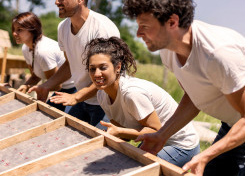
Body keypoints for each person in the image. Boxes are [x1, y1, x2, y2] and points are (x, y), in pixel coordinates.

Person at [122, 0, 245, 175]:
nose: (139, 34)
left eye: (145, 26)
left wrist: (205, 155)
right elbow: (194, 97)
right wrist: (161, 135)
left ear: (172, 22)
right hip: (233, 125)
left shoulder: (218, 55)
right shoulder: (168, 50)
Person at [84, 36, 200, 167]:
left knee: (137, 169)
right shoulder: (102, 95)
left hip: (180, 145)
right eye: (92, 68)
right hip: (153, 142)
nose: (96, 74)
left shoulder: (131, 93)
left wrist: (118, 132)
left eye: (103, 67)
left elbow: (155, 131)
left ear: (118, 67)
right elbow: (122, 132)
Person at [28, 0, 120, 126]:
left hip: (108, 102)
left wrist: (76, 96)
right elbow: (69, 64)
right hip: (84, 99)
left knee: (99, 145)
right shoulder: (63, 27)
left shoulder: (102, 28)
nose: (56, 2)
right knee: (64, 136)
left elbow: (109, 75)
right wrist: (46, 86)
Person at [12, 12, 76, 112]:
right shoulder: (26, 48)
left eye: (19, 30)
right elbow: (35, 76)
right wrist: (25, 86)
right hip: (61, 89)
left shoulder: (43, 51)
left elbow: (56, 85)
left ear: (32, 29)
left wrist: (37, 87)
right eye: (14, 30)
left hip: (74, 88)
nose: (14, 33)